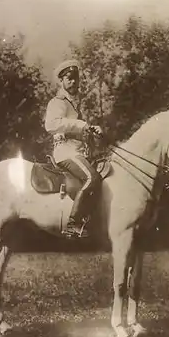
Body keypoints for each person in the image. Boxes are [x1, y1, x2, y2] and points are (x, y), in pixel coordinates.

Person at [44, 59, 103, 238]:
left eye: (76, 78)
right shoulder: (57, 102)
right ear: (61, 81)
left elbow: (77, 128)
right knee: (92, 178)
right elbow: (51, 125)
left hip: (77, 151)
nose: (73, 82)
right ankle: (73, 223)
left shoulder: (73, 104)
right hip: (65, 151)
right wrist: (81, 125)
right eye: (69, 78)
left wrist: (93, 129)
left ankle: (90, 221)